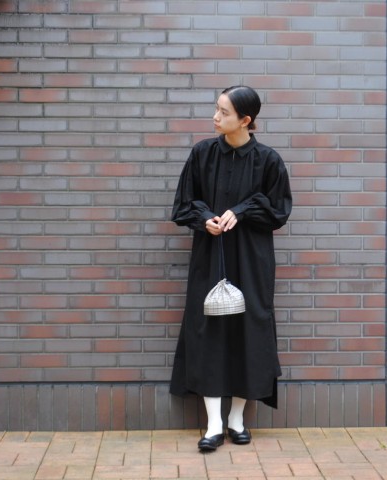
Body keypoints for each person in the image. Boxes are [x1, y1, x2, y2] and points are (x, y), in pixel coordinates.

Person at [170, 85, 292, 452]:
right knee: (209, 330)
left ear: (245, 120)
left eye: (223, 112)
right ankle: (213, 425)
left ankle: (237, 420)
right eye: (217, 109)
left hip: (252, 261)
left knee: (248, 331)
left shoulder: (268, 161)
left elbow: (279, 211)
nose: (215, 117)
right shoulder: (202, 154)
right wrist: (205, 219)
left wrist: (243, 210)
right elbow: (183, 205)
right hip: (211, 257)